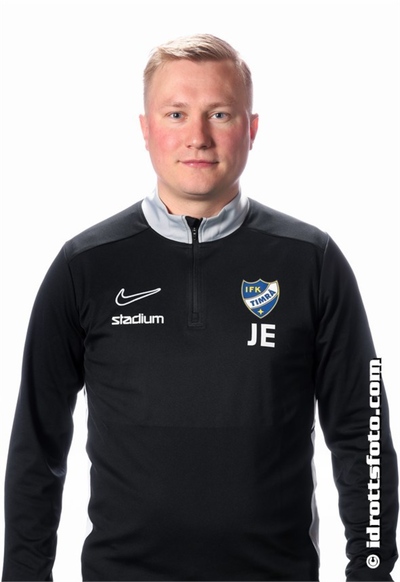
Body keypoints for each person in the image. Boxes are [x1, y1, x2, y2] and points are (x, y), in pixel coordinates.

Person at [1, 33, 398, 582]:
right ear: (145, 129)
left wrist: (372, 570)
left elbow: (364, 433)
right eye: (176, 113)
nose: (198, 137)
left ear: (251, 129)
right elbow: (36, 444)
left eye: (219, 114)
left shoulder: (313, 261)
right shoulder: (84, 267)